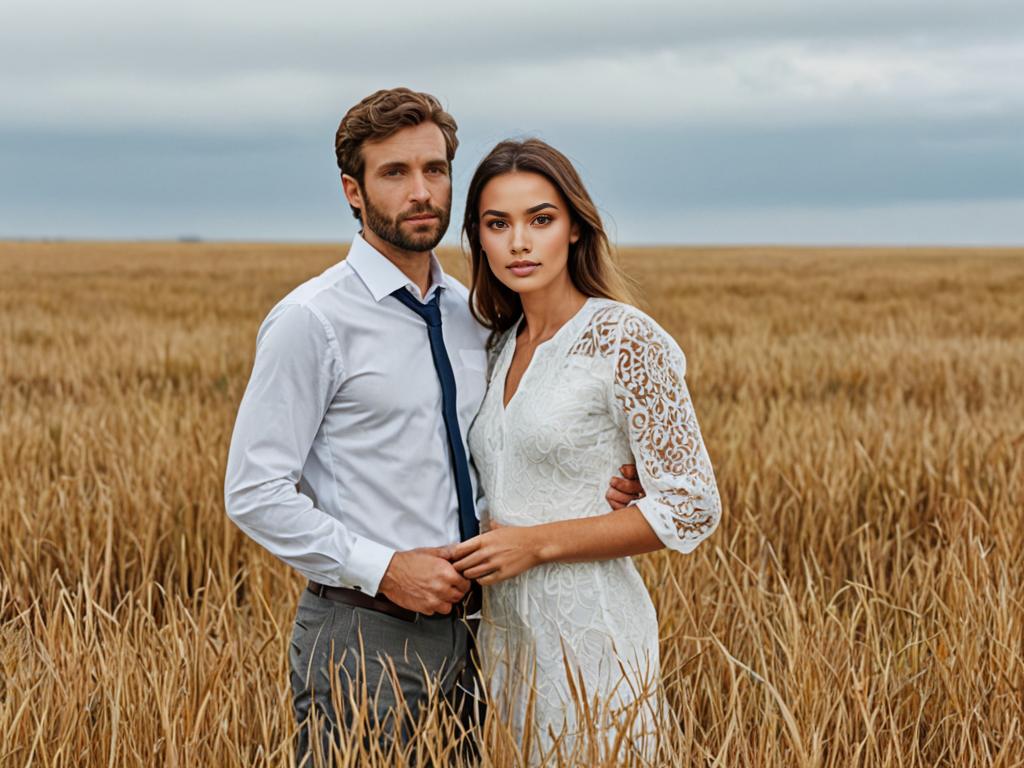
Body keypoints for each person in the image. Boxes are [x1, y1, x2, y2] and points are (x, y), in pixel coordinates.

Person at [223, 88, 645, 764]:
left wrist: (607, 485)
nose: (422, 192)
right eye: (395, 173)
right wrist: (385, 569)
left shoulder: (471, 311)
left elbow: (508, 440)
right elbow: (254, 491)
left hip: (478, 633)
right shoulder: (313, 320)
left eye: (435, 170)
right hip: (365, 631)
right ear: (352, 191)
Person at [451, 138, 722, 763]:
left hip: (592, 633)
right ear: (480, 240)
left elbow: (691, 505)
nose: (519, 242)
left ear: (574, 227)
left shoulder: (625, 339)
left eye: (540, 219)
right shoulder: (498, 345)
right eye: (498, 224)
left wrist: (537, 542)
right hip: (504, 638)